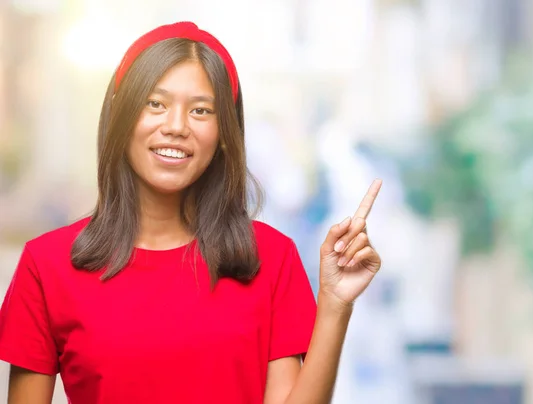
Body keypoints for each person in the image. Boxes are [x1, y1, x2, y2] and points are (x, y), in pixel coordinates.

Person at [0, 21, 382, 404]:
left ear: (223, 135)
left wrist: (335, 303)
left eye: (201, 110)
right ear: (121, 114)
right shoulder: (46, 265)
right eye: (156, 104)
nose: (176, 126)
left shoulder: (270, 259)